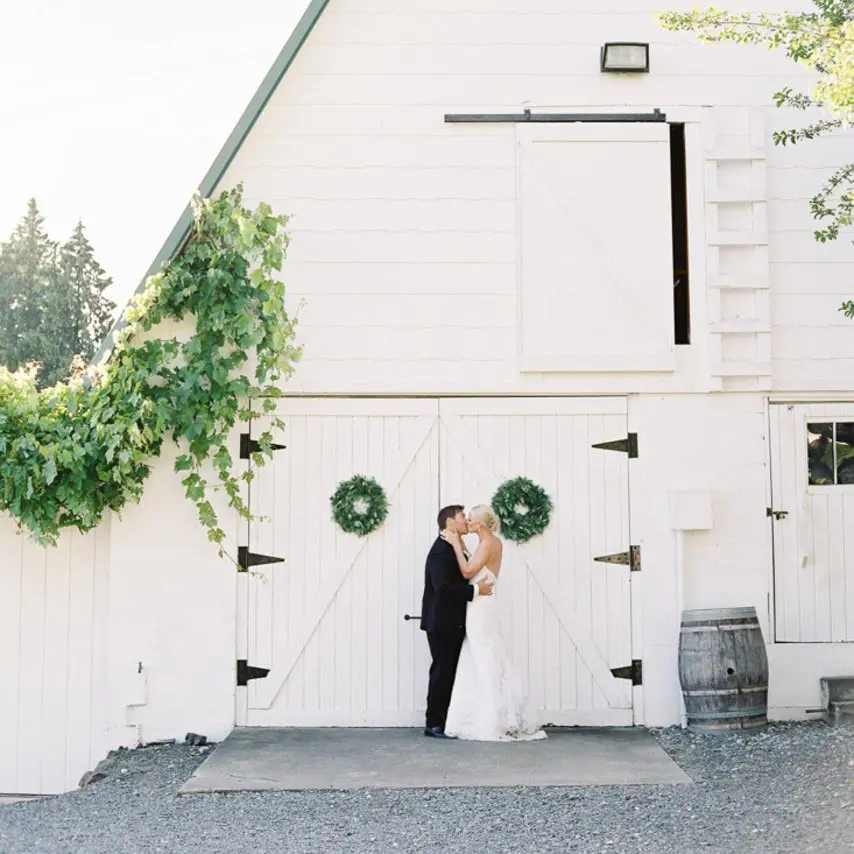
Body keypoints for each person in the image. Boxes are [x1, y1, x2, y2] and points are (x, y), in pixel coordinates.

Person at [442, 505, 547, 741]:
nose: (466, 522)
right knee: (488, 652)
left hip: (480, 609)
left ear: (479, 523)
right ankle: (500, 712)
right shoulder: (493, 542)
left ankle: (491, 717)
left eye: (469, 520)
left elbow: (468, 571)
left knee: (483, 653)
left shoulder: (487, 544)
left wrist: (456, 545)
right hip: (484, 605)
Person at [420, 505, 494, 738]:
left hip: (452, 622)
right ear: (450, 522)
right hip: (442, 622)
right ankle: (434, 723)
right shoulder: (441, 550)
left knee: (450, 671)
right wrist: (474, 591)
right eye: (462, 516)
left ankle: (446, 720)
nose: (466, 520)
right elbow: (442, 588)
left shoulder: (454, 546)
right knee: (442, 672)